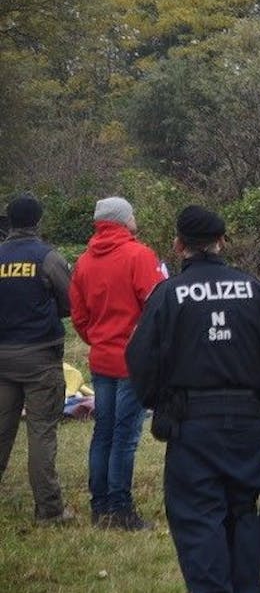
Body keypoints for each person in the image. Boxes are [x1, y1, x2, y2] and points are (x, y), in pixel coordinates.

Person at [127, 205, 260, 593]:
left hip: (191, 424)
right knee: (242, 511)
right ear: (221, 242)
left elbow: (140, 359)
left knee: (198, 516)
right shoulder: (254, 290)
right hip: (247, 423)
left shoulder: (168, 295)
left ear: (178, 245)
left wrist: (160, 404)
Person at [70, 196, 168, 530]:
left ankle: (100, 507)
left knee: (103, 433)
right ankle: (120, 509)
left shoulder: (83, 262)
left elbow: (79, 316)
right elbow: (157, 307)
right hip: (132, 363)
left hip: (101, 359)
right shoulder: (139, 255)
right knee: (125, 436)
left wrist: (98, 340)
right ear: (124, 220)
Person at [0, 193, 75, 523]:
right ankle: (49, 509)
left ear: (9, 220)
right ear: (38, 221)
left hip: (2, 356)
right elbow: (69, 302)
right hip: (40, 357)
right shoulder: (48, 257)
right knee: (41, 433)